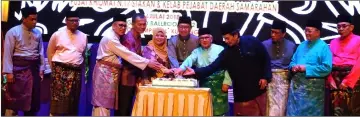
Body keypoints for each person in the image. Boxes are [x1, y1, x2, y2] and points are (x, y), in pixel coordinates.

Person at [183, 21, 272, 116]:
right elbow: (212, 67)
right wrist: (195, 72)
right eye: (224, 38)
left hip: (258, 90)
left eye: (227, 38)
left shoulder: (252, 41)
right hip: (241, 95)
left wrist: (265, 77)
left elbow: (265, 58)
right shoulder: (227, 53)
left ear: (236, 35)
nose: (226, 41)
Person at [91, 14, 162, 116]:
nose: (123, 28)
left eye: (124, 25)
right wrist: (147, 62)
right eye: (120, 25)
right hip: (105, 73)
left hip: (111, 73)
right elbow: (128, 54)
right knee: (102, 105)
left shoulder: (118, 36)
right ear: (113, 25)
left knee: (106, 105)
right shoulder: (111, 38)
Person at [175, 28, 232, 116]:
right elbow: (189, 60)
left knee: (220, 110)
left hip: (219, 85)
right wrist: (181, 69)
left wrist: (227, 82)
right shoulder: (196, 51)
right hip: (204, 83)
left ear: (211, 38)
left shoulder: (220, 49)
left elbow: (229, 67)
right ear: (199, 40)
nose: (204, 40)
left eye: (206, 37)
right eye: (202, 38)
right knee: (204, 109)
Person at [2, 6, 45, 116]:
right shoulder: (13, 32)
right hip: (17, 71)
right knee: (14, 101)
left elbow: (40, 52)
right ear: (24, 19)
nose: (35, 22)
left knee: (32, 101)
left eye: (36, 19)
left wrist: (41, 69)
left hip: (33, 70)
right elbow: (7, 54)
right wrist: (8, 73)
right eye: (32, 19)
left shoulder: (38, 33)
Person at [286, 19, 332, 116]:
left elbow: (327, 68)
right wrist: (293, 67)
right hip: (296, 91)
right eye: (305, 30)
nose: (307, 33)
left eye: (309, 31)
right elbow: (292, 62)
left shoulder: (324, 47)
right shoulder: (301, 45)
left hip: (313, 93)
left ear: (318, 32)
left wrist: (306, 68)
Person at [47, 10, 87, 116]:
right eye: (72, 20)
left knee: (73, 101)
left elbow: (82, 54)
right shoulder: (57, 34)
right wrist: (54, 70)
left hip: (76, 71)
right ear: (66, 21)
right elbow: (50, 52)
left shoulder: (83, 36)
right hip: (60, 71)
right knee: (58, 101)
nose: (75, 23)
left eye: (77, 21)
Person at [262, 20, 296, 116]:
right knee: (270, 108)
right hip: (269, 80)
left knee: (283, 107)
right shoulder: (264, 45)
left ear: (283, 34)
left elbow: (293, 64)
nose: (273, 34)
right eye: (272, 32)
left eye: (276, 33)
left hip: (285, 81)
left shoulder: (292, 46)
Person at [328, 14, 360, 116]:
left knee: (352, 109)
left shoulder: (359, 40)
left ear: (351, 27)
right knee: (336, 111)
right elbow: (328, 62)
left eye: (344, 26)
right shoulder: (333, 42)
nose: (341, 29)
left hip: (353, 79)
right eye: (338, 26)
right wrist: (330, 80)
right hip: (335, 79)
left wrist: (347, 81)